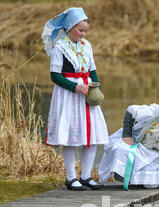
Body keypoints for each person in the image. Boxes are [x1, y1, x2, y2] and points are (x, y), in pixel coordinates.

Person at [41, 7, 109, 191]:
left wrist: (99, 90)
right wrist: (74, 86)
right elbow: (55, 76)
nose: (83, 33)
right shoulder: (60, 47)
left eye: (86, 30)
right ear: (70, 27)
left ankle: (86, 176)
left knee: (93, 135)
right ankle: (71, 178)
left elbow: (92, 70)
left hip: (88, 93)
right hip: (68, 94)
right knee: (70, 136)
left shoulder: (87, 45)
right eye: (80, 30)